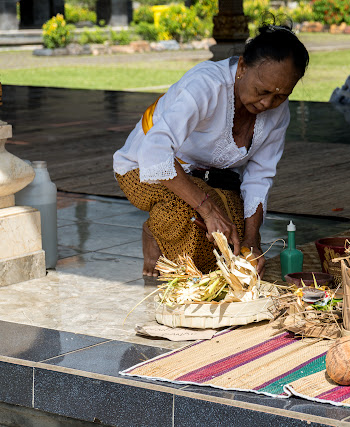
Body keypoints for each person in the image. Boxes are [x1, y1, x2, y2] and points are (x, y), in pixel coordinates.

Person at [113, 22, 309, 277]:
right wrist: (208, 209)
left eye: (281, 96)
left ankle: (188, 226)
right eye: (261, 91)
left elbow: (261, 175)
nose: (267, 103)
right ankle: (155, 232)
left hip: (207, 178)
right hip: (143, 166)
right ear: (241, 67)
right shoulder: (206, 84)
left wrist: (253, 239)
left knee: (232, 240)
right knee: (186, 218)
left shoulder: (278, 112)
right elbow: (155, 151)